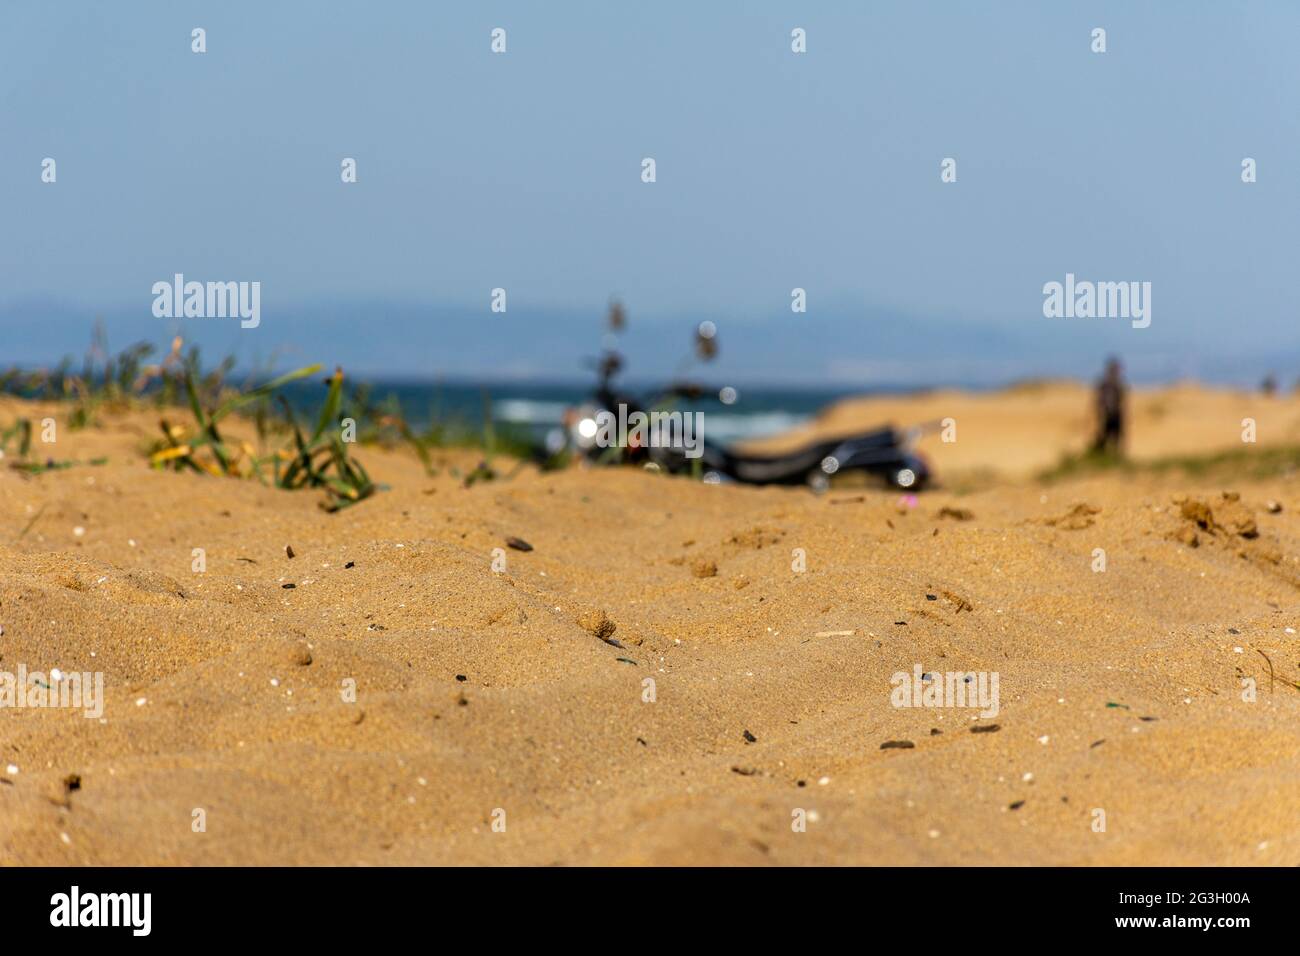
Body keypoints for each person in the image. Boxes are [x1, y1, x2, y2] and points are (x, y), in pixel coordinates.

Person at [1092, 357, 1126, 455]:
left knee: (1116, 438)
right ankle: (1103, 457)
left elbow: (1121, 401)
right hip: (1107, 416)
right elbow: (1099, 400)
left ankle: (1113, 457)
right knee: (1105, 437)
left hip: (1116, 415)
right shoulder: (1106, 384)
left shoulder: (1117, 383)